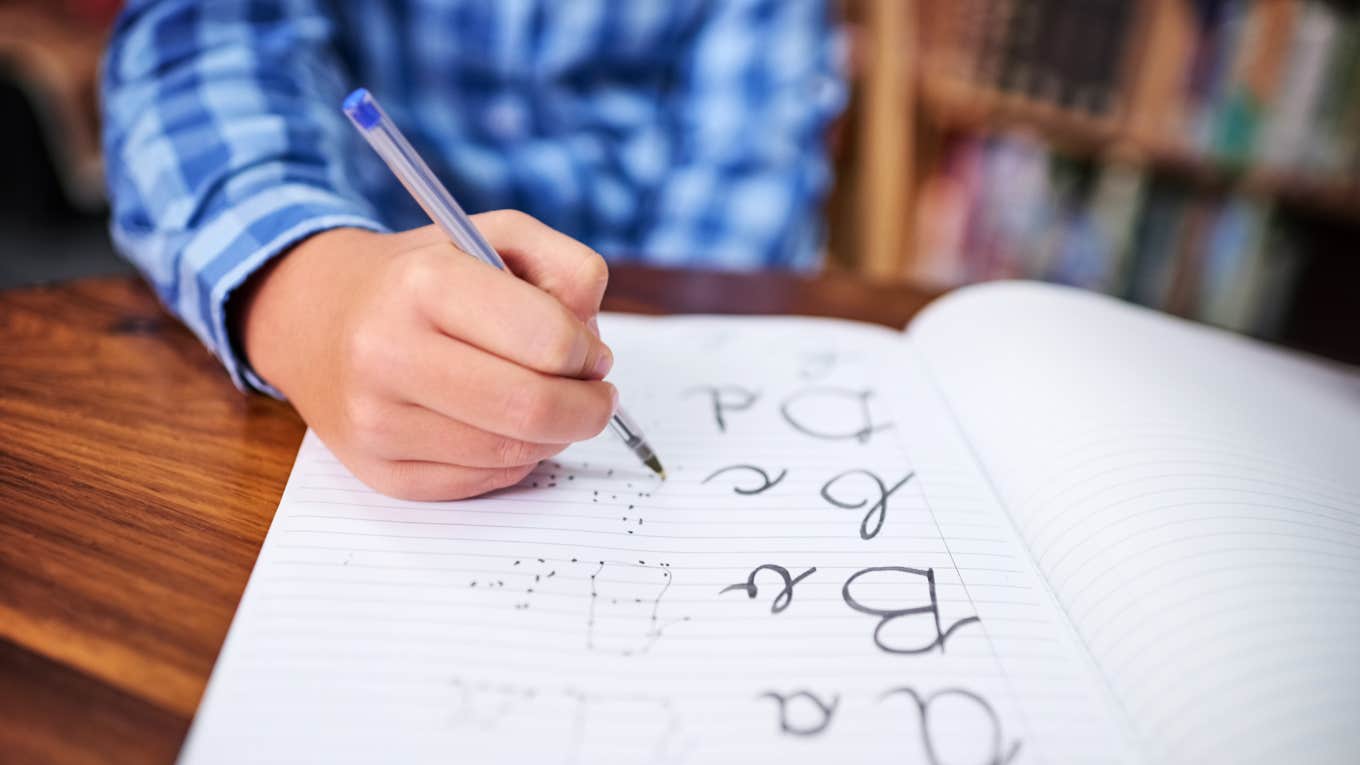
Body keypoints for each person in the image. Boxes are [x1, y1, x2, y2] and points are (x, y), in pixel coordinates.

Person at [101, 0, 845, 500]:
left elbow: (749, 163)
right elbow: (200, 56)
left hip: (658, 319)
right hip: (361, 295)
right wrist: (309, 291)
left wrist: (640, 333)